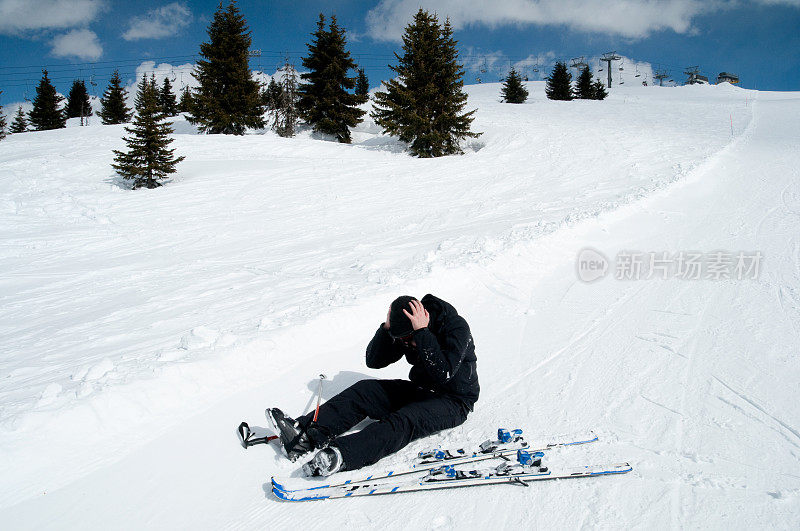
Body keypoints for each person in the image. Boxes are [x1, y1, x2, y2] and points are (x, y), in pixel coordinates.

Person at [267, 294, 479, 476]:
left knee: (404, 420)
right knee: (365, 390)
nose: (406, 343)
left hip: (454, 401)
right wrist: (387, 330)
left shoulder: (455, 327)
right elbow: (374, 361)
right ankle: (303, 437)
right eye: (403, 339)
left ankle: (342, 456)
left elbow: (444, 373)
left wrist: (422, 333)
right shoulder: (407, 332)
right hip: (422, 391)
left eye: (408, 338)